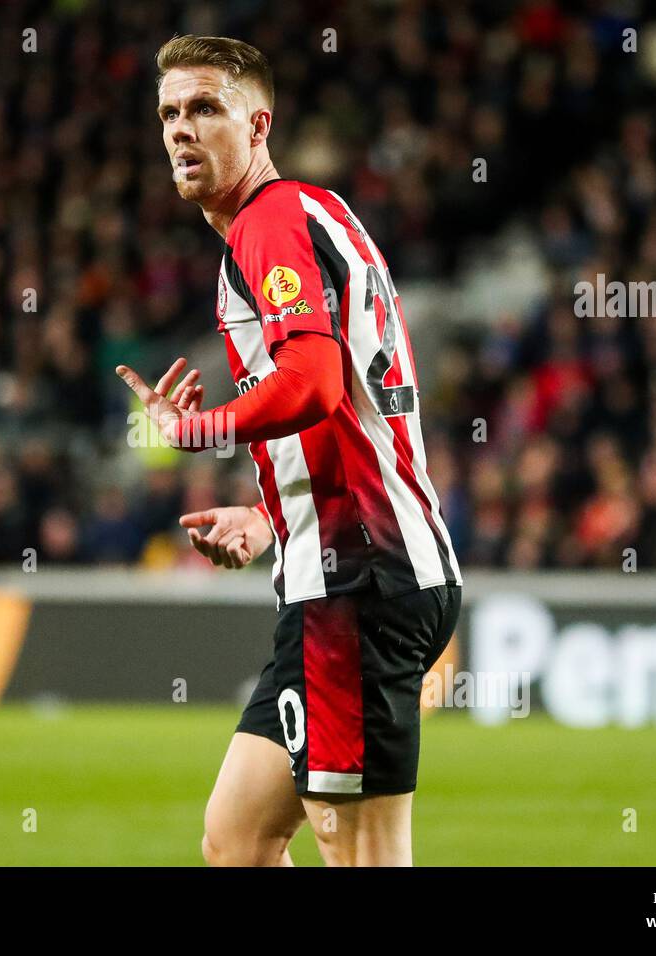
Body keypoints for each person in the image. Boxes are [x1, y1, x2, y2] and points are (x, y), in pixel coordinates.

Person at [115, 35, 462, 866]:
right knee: (236, 836)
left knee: (363, 855)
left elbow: (313, 382)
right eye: (169, 113)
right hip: (342, 571)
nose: (181, 130)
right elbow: (353, 415)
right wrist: (273, 515)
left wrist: (198, 429)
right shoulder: (316, 215)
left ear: (258, 123)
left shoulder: (269, 223)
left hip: (361, 586)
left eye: (205, 108)